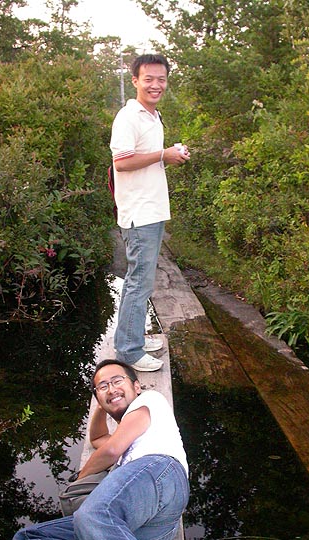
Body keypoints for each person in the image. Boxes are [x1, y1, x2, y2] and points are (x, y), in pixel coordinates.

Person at [11, 359, 206, 540]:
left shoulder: (150, 401)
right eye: (102, 386)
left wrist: (79, 479)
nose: (111, 388)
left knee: (92, 514)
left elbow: (111, 450)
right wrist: (102, 406)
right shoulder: (130, 431)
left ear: (137, 387)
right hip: (142, 530)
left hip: (160, 473)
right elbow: (99, 438)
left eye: (117, 381)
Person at [110, 53, 190, 372]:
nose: (156, 85)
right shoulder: (128, 117)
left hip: (152, 210)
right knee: (138, 281)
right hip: (138, 213)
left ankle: (133, 338)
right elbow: (122, 162)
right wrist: (163, 155)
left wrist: (171, 155)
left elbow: (150, 158)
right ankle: (129, 351)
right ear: (135, 81)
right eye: (149, 79)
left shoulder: (152, 116)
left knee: (142, 280)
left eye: (161, 79)